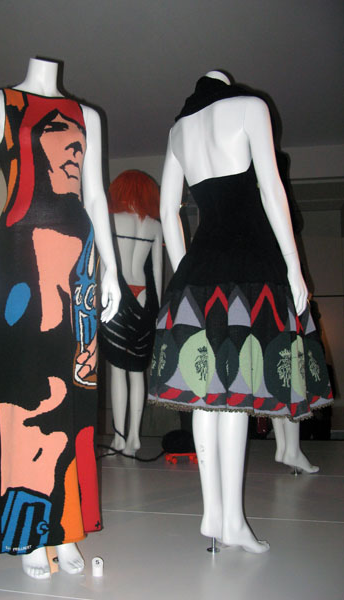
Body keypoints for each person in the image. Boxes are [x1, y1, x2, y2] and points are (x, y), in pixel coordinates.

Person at [149, 71, 333, 553]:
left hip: (198, 270)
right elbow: (272, 189)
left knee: (206, 395)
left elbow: (168, 212)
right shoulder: (250, 107)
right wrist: (294, 266)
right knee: (233, 393)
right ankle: (230, 522)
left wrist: (184, 273)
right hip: (250, 265)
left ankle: (214, 514)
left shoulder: (177, 131)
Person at [0, 58, 120, 579]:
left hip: (79, 265)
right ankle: (28, 528)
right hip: (20, 259)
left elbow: (94, 194)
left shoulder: (86, 115)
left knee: (77, 393)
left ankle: (66, 525)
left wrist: (111, 269)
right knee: (25, 394)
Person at [99, 170, 162, 455]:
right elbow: (157, 273)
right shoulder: (155, 226)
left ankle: (119, 437)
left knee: (117, 369)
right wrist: (155, 311)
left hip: (116, 295)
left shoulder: (111, 220)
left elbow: (104, 266)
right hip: (144, 295)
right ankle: (135, 438)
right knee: (138, 371)